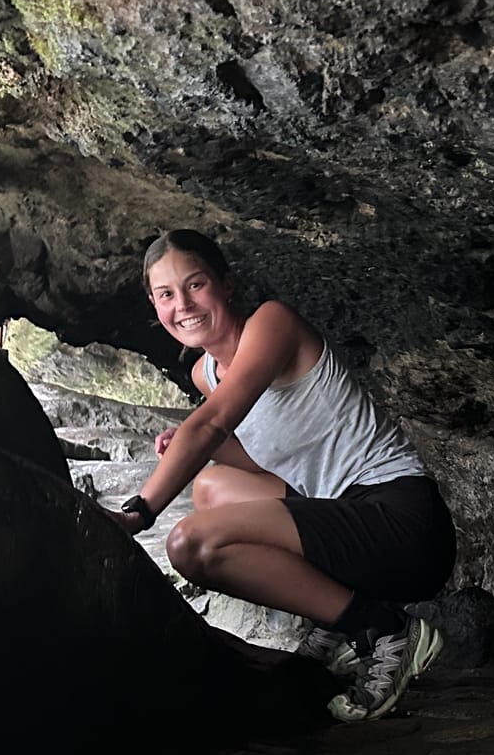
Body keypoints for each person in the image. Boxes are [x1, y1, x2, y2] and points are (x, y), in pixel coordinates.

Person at [105, 229, 456, 721]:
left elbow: (211, 423)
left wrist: (139, 513)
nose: (182, 305)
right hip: (341, 517)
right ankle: (336, 618)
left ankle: (383, 629)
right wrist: (200, 446)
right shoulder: (205, 374)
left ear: (226, 284)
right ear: (153, 304)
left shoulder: (272, 324)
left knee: (190, 545)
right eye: (165, 294)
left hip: (402, 523)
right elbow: (269, 461)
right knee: (211, 487)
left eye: (195, 284)